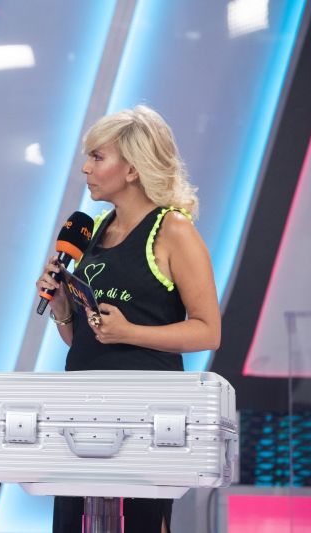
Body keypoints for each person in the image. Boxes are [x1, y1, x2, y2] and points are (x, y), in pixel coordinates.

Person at [36, 105, 220, 533]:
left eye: (97, 157)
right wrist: (62, 309)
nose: (85, 168)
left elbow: (208, 331)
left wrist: (130, 331)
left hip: (146, 415)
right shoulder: (94, 230)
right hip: (83, 411)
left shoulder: (173, 230)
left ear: (133, 169)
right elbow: (87, 339)